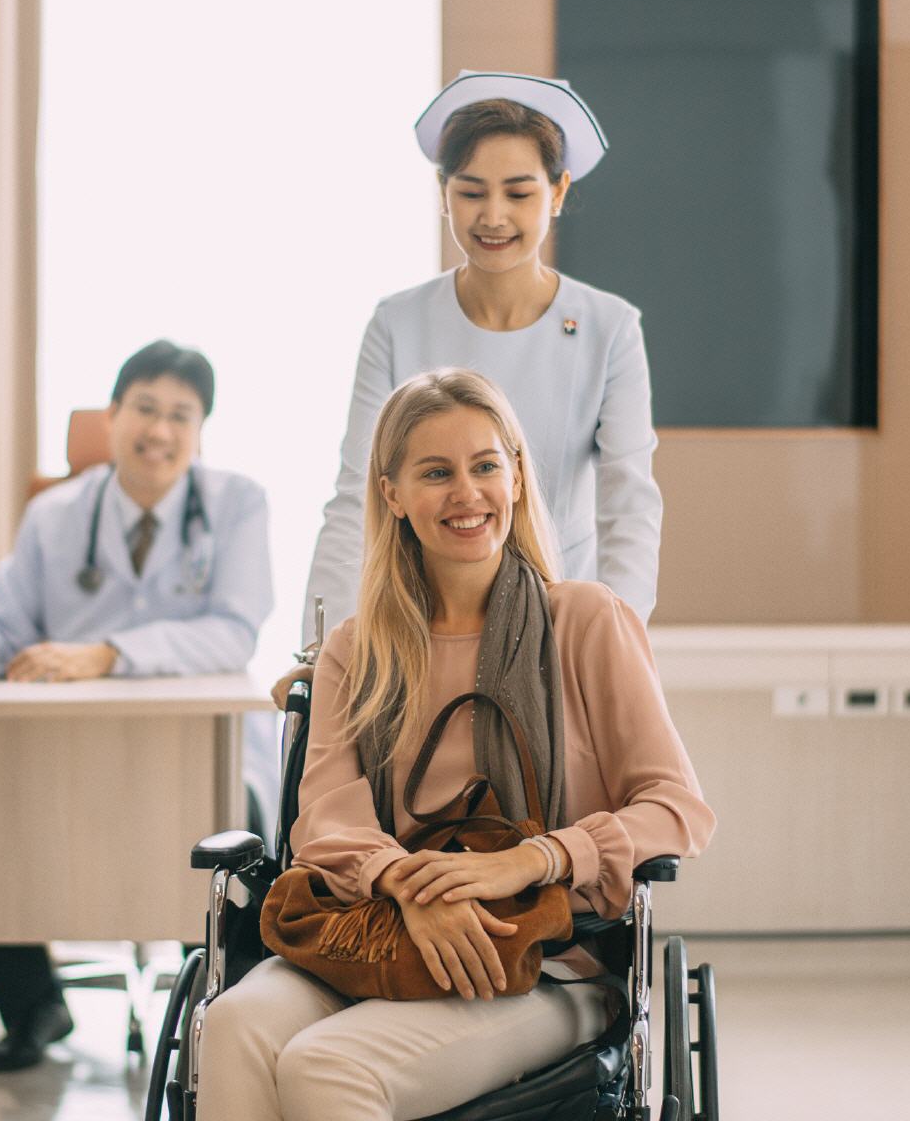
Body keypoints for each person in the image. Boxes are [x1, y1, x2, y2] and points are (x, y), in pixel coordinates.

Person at [200, 369, 712, 1119]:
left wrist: (530, 859)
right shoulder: (355, 649)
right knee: (234, 1026)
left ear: (516, 477)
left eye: (484, 466)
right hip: (379, 929)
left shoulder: (587, 624)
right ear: (392, 496)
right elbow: (327, 822)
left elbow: (678, 810)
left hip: (542, 960)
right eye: (436, 473)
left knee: (328, 1066)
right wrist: (413, 889)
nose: (466, 494)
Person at [0, 339, 273, 1071]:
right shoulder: (55, 516)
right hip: (70, 744)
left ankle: (209, 1004)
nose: (160, 431)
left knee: (227, 821)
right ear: (111, 417)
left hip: (195, 744)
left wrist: (108, 652)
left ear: (201, 429)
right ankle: (32, 1004)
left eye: (181, 415)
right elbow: (6, 624)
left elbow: (232, 631)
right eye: (144, 409)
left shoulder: (236, 503)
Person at [300, 71, 665, 652]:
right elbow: (357, 497)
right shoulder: (397, 323)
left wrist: (612, 641)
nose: (493, 216)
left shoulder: (608, 327)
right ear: (442, 193)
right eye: (471, 192)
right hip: (421, 625)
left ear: (559, 192)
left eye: (519, 194)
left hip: (556, 627)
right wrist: (324, 653)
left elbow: (629, 504)